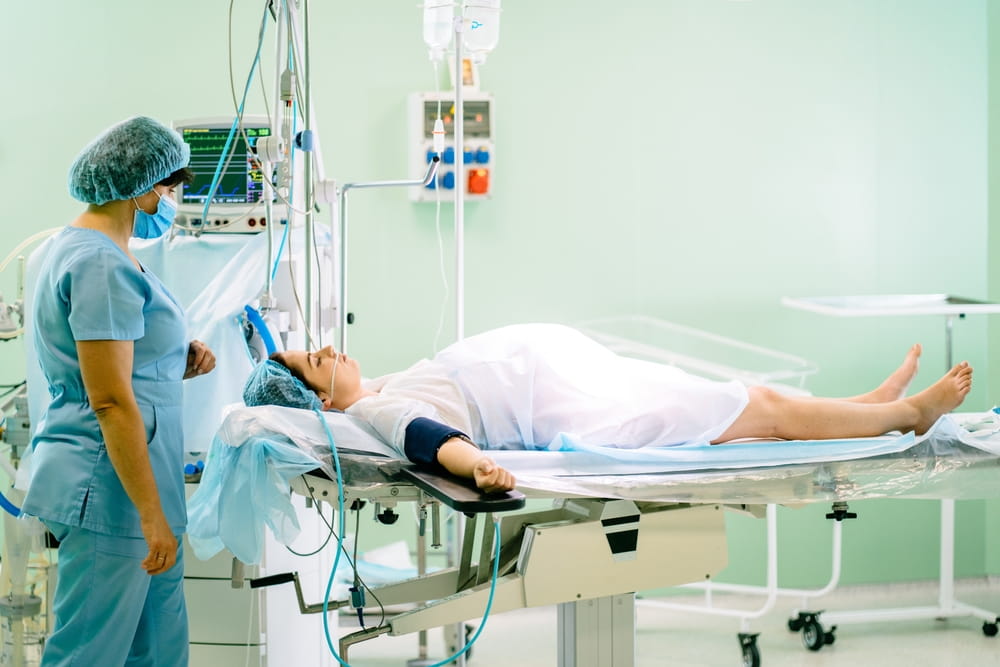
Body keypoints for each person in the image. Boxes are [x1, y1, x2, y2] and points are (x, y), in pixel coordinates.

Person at [242, 323, 972, 495]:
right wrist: (483, 469)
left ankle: (869, 406)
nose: (329, 349)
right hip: (588, 409)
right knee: (761, 410)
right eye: (315, 360)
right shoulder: (380, 409)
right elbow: (433, 441)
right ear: (321, 398)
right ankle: (904, 416)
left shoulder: (381, 381)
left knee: (749, 399)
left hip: (583, 378)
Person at [21, 116, 217, 667]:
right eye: (170, 188)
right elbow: (107, 399)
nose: (172, 200)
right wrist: (149, 514)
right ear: (141, 185)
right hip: (112, 492)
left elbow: (118, 364)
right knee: (89, 653)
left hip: (138, 488)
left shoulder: (100, 252)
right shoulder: (97, 263)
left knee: (156, 651)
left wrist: (171, 360)